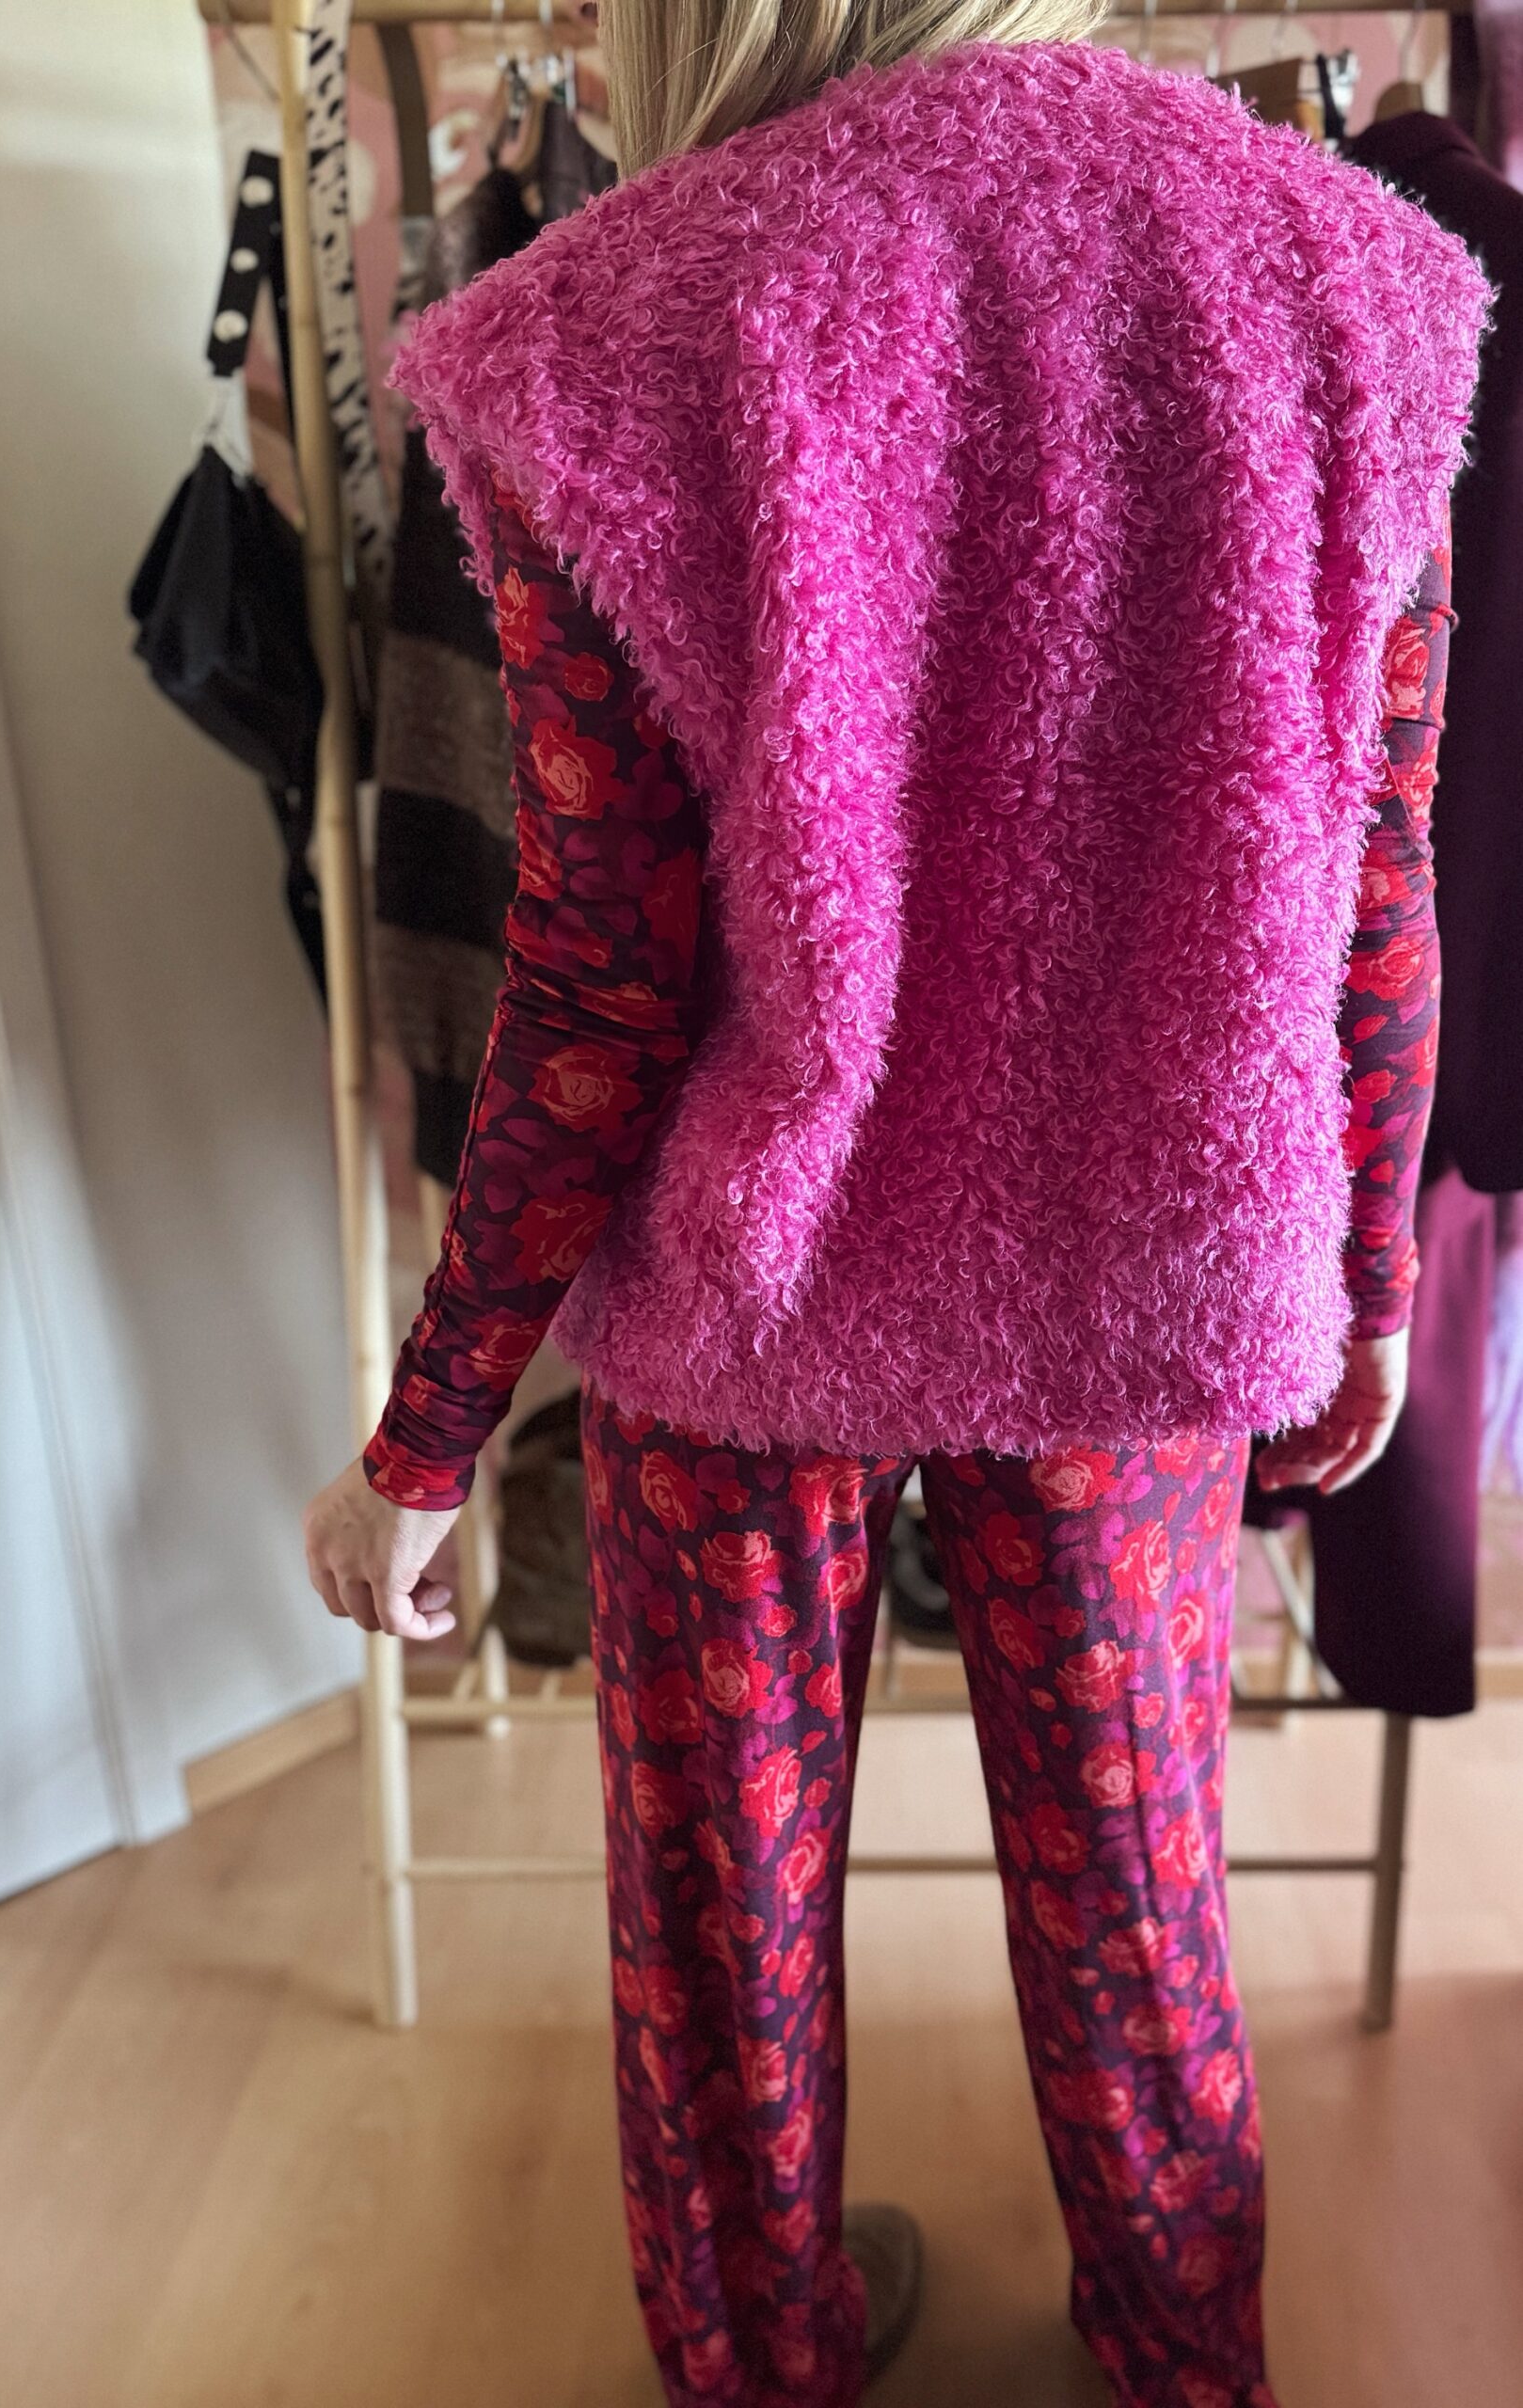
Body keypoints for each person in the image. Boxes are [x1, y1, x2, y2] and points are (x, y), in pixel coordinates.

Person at [304, 8, 1486, 2403]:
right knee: (1139, 1903)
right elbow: (1375, 876)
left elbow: (600, 974)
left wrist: (427, 1431)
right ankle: (1181, 2364)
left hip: (745, 1307)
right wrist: (1368, 1265)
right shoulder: (1343, 280)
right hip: (1136, 1289)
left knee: (714, 1932)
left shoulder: (602, 332)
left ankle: (758, 2355)